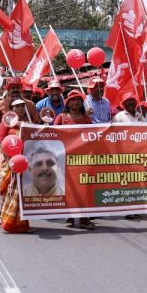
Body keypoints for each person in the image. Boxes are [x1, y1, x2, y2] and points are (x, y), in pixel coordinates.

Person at [53, 91, 94, 229]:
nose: (76, 102)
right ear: (68, 103)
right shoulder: (61, 118)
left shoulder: (87, 119)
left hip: (83, 159)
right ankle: (69, 217)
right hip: (65, 158)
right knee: (68, 188)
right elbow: (53, 135)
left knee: (85, 188)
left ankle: (84, 219)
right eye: (73, 100)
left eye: (78, 100)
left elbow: (92, 136)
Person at [0, 99, 34, 233]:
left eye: (22, 106)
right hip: (9, 163)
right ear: (12, 109)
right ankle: (3, 218)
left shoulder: (26, 124)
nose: (20, 108)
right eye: (17, 106)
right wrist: (9, 161)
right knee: (7, 191)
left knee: (19, 194)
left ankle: (19, 224)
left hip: (22, 163)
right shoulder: (6, 123)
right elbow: (2, 142)